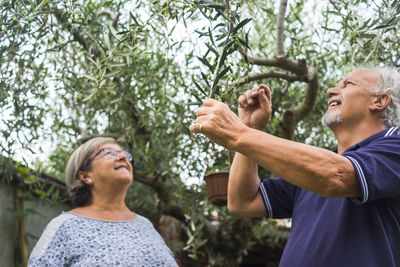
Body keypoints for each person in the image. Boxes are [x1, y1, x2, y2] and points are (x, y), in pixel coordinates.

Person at [190, 67, 400, 266]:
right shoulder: (313, 168)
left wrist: (238, 134)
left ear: (379, 101)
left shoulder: (394, 147)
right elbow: (243, 202)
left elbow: (338, 176)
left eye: (348, 84)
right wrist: (250, 128)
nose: (330, 90)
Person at [28, 137, 178, 266]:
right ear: (85, 176)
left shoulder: (144, 225)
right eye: (109, 153)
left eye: (125, 154)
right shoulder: (64, 226)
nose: (123, 158)